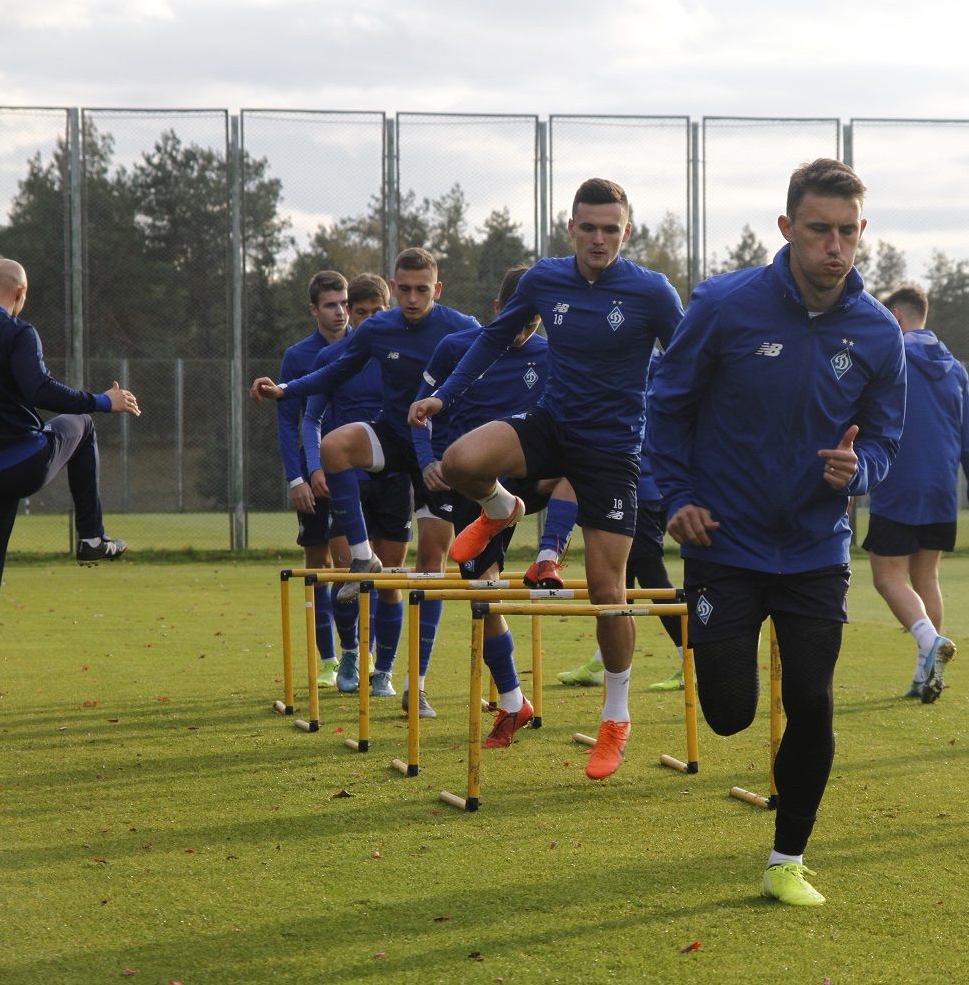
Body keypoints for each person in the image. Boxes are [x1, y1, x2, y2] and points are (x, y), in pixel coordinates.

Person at [647, 158, 906, 907]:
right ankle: (713, 660)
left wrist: (855, 474)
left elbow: (886, 442)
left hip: (816, 549)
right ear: (788, 228)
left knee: (814, 702)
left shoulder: (877, 332)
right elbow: (666, 407)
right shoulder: (725, 305)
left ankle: (786, 858)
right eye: (820, 229)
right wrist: (675, 499)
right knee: (730, 716)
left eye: (848, 232)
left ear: (862, 235)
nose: (835, 246)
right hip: (722, 540)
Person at [409, 178, 684, 777]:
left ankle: (616, 716)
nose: (599, 239)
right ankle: (500, 508)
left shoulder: (652, 291)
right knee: (458, 461)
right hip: (552, 425)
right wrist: (444, 397)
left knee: (609, 591)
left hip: (612, 450)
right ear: (571, 229)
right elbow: (493, 338)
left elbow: (686, 364)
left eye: (611, 229)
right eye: (589, 227)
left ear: (626, 232)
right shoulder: (544, 280)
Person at [252, 248, 479, 718]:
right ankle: (360, 557)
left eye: (422, 290)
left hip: (439, 452)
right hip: (395, 437)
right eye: (404, 289)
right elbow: (334, 368)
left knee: (431, 564)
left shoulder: (463, 329)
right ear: (392, 288)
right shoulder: (379, 328)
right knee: (335, 447)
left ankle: (414, 685)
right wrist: (286, 390)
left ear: (437, 290)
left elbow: (494, 370)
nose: (412, 298)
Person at [0, 258, 141, 731]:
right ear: (20, 294)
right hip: (17, 466)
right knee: (82, 424)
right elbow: (38, 387)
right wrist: (103, 401)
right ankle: (91, 536)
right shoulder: (19, 332)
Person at [413, 264, 558, 747]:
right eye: (515, 319)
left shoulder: (551, 352)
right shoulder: (459, 347)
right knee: (481, 593)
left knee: (579, 464)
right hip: (471, 485)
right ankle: (515, 703)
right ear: (497, 310)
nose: (523, 332)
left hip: (524, 475)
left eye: (532, 322)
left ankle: (549, 553)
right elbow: (422, 407)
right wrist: (429, 460)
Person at [303, 273, 414, 694]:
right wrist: (315, 467)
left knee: (389, 580)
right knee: (347, 574)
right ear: (349, 312)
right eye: (360, 311)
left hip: (394, 478)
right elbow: (311, 418)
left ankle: (383, 669)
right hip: (345, 479)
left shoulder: (404, 359)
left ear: (387, 311)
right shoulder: (333, 358)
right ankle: (351, 655)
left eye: (375, 312)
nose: (367, 319)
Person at [556, 347, 686, 691]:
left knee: (649, 572)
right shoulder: (623, 360)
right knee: (619, 580)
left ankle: (691, 656)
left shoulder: (653, 363)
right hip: (626, 482)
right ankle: (602, 661)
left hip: (641, 485)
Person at [862, 285, 968, 703]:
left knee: (887, 578)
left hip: (899, 483)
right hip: (943, 488)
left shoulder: (893, 356)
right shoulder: (956, 369)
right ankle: (927, 675)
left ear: (898, 319)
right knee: (927, 575)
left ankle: (929, 641)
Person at [274, 270, 351, 690]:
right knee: (318, 564)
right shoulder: (298, 356)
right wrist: (295, 478)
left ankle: (360, 653)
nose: (339, 312)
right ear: (314, 310)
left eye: (343, 303)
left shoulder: (367, 345)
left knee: (356, 565)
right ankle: (328, 659)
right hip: (314, 476)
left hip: (358, 475)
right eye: (330, 304)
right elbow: (288, 421)